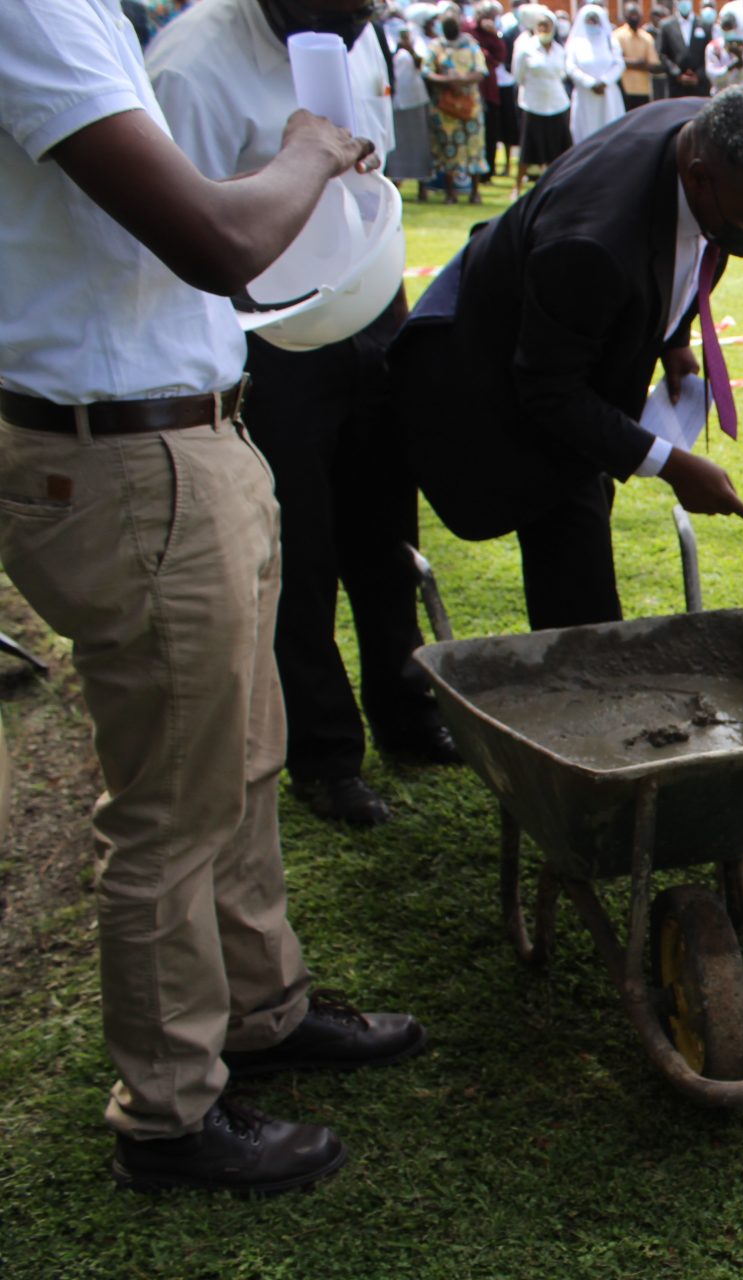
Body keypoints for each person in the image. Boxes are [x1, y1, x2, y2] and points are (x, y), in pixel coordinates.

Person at [3, 0, 427, 1196]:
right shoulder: (42, 13)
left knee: (242, 759)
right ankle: (171, 1108)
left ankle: (259, 1006)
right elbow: (212, 240)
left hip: (190, 436)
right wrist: (302, 151)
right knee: (170, 808)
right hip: (130, 459)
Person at [148, 0, 458, 828]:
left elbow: (372, 168)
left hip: (366, 307)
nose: (363, 18)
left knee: (386, 534)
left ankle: (408, 709)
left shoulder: (353, 36)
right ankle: (326, 758)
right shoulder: (191, 67)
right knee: (305, 551)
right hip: (273, 338)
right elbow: (185, 240)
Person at [387, 87, 743, 630]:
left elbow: (698, 245)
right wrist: (673, 466)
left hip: (566, 363)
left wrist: (673, 337)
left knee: (580, 546)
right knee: (579, 597)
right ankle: (582, 690)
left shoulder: (703, 132)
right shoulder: (593, 243)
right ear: (699, 178)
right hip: (493, 389)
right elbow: (547, 391)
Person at [425, 4, 490, 202]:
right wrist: (447, 81)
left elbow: (481, 71)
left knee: (474, 146)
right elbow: (426, 71)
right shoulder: (436, 46)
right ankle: (450, 192)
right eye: (446, 23)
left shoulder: (471, 45)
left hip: (469, 104)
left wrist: (461, 81)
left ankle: (474, 192)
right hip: (444, 106)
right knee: (447, 147)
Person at [511, 3, 570, 191]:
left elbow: (562, 74)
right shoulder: (525, 49)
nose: (544, 29)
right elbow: (518, 76)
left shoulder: (560, 51)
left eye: (547, 26)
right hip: (533, 104)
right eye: (540, 26)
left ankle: (559, 185)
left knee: (559, 149)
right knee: (528, 149)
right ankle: (518, 186)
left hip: (556, 103)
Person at [568, 3, 627, 142]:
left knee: (610, 130)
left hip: (607, 94)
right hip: (585, 95)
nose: (591, 23)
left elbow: (619, 64)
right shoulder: (575, 44)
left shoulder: (610, 42)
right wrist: (590, 83)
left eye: (594, 20)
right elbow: (571, 67)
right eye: (588, 20)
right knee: (585, 132)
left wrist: (605, 81)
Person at [389, 23, 436, 197]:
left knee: (420, 144)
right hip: (396, 101)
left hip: (416, 100)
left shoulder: (419, 44)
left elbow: (422, 65)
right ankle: (394, 185)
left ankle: (422, 188)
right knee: (397, 144)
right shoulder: (388, 42)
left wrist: (410, 49)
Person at [479, 1, 516, 178]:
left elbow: (500, 57)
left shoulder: (500, 33)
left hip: (498, 87)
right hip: (482, 88)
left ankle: (496, 168)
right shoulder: (472, 32)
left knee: (502, 128)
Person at [656, 0, 711, 97]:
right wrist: (677, 74)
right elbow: (662, 53)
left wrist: (699, 75)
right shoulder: (666, 26)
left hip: (700, 86)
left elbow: (709, 52)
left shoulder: (705, 25)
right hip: (676, 86)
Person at [616, 4, 658, 112]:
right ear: (625, 16)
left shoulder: (647, 38)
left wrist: (627, 63)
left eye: (636, 15)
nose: (634, 18)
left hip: (643, 90)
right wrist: (639, 63)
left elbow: (653, 65)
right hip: (623, 89)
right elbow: (616, 62)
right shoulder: (617, 36)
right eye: (631, 15)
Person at [706, 12, 743, 90]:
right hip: (720, 91)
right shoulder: (713, 47)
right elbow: (712, 75)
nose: (727, 31)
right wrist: (728, 68)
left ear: (735, 28)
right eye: (725, 28)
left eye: (730, 28)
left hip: (740, 91)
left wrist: (741, 61)